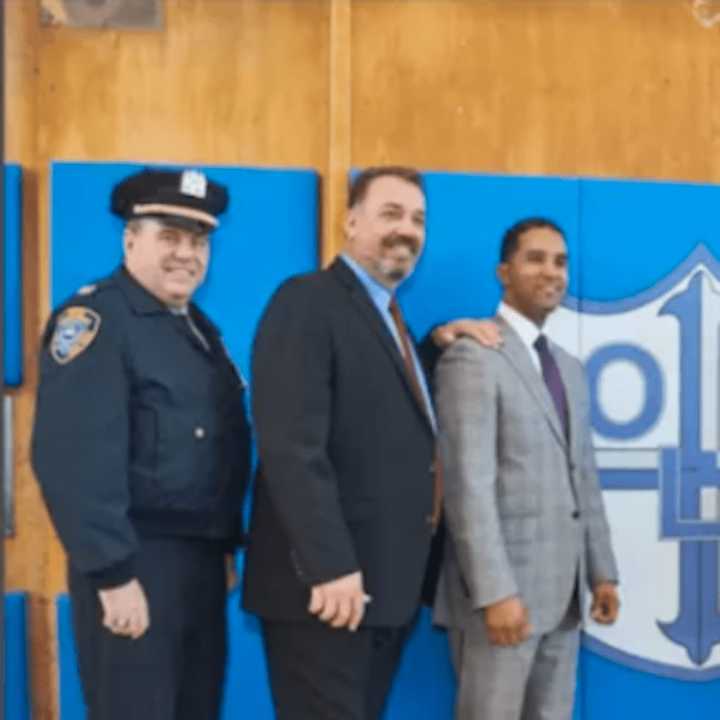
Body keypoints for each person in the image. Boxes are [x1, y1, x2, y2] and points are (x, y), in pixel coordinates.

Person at [242, 166, 498, 720]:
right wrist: (329, 566)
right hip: (326, 594)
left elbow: (379, 411)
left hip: (383, 592)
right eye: (390, 213)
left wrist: (431, 346)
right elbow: (292, 446)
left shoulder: (390, 321)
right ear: (350, 222)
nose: (406, 229)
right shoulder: (306, 301)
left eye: (417, 219)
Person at [32, 167, 251, 720]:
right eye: (169, 237)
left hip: (197, 564)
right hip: (134, 563)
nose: (186, 254)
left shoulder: (200, 330)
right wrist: (112, 573)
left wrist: (221, 547)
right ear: (130, 240)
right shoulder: (97, 320)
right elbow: (72, 457)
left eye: (198, 241)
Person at [434, 217, 620, 720]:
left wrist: (602, 572)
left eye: (560, 262)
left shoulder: (570, 369)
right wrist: (496, 592)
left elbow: (583, 475)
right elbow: (468, 486)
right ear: (503, 271)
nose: (551, 272)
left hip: (563, 598)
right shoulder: (473, 355)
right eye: (535, 259)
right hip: (502, 600)